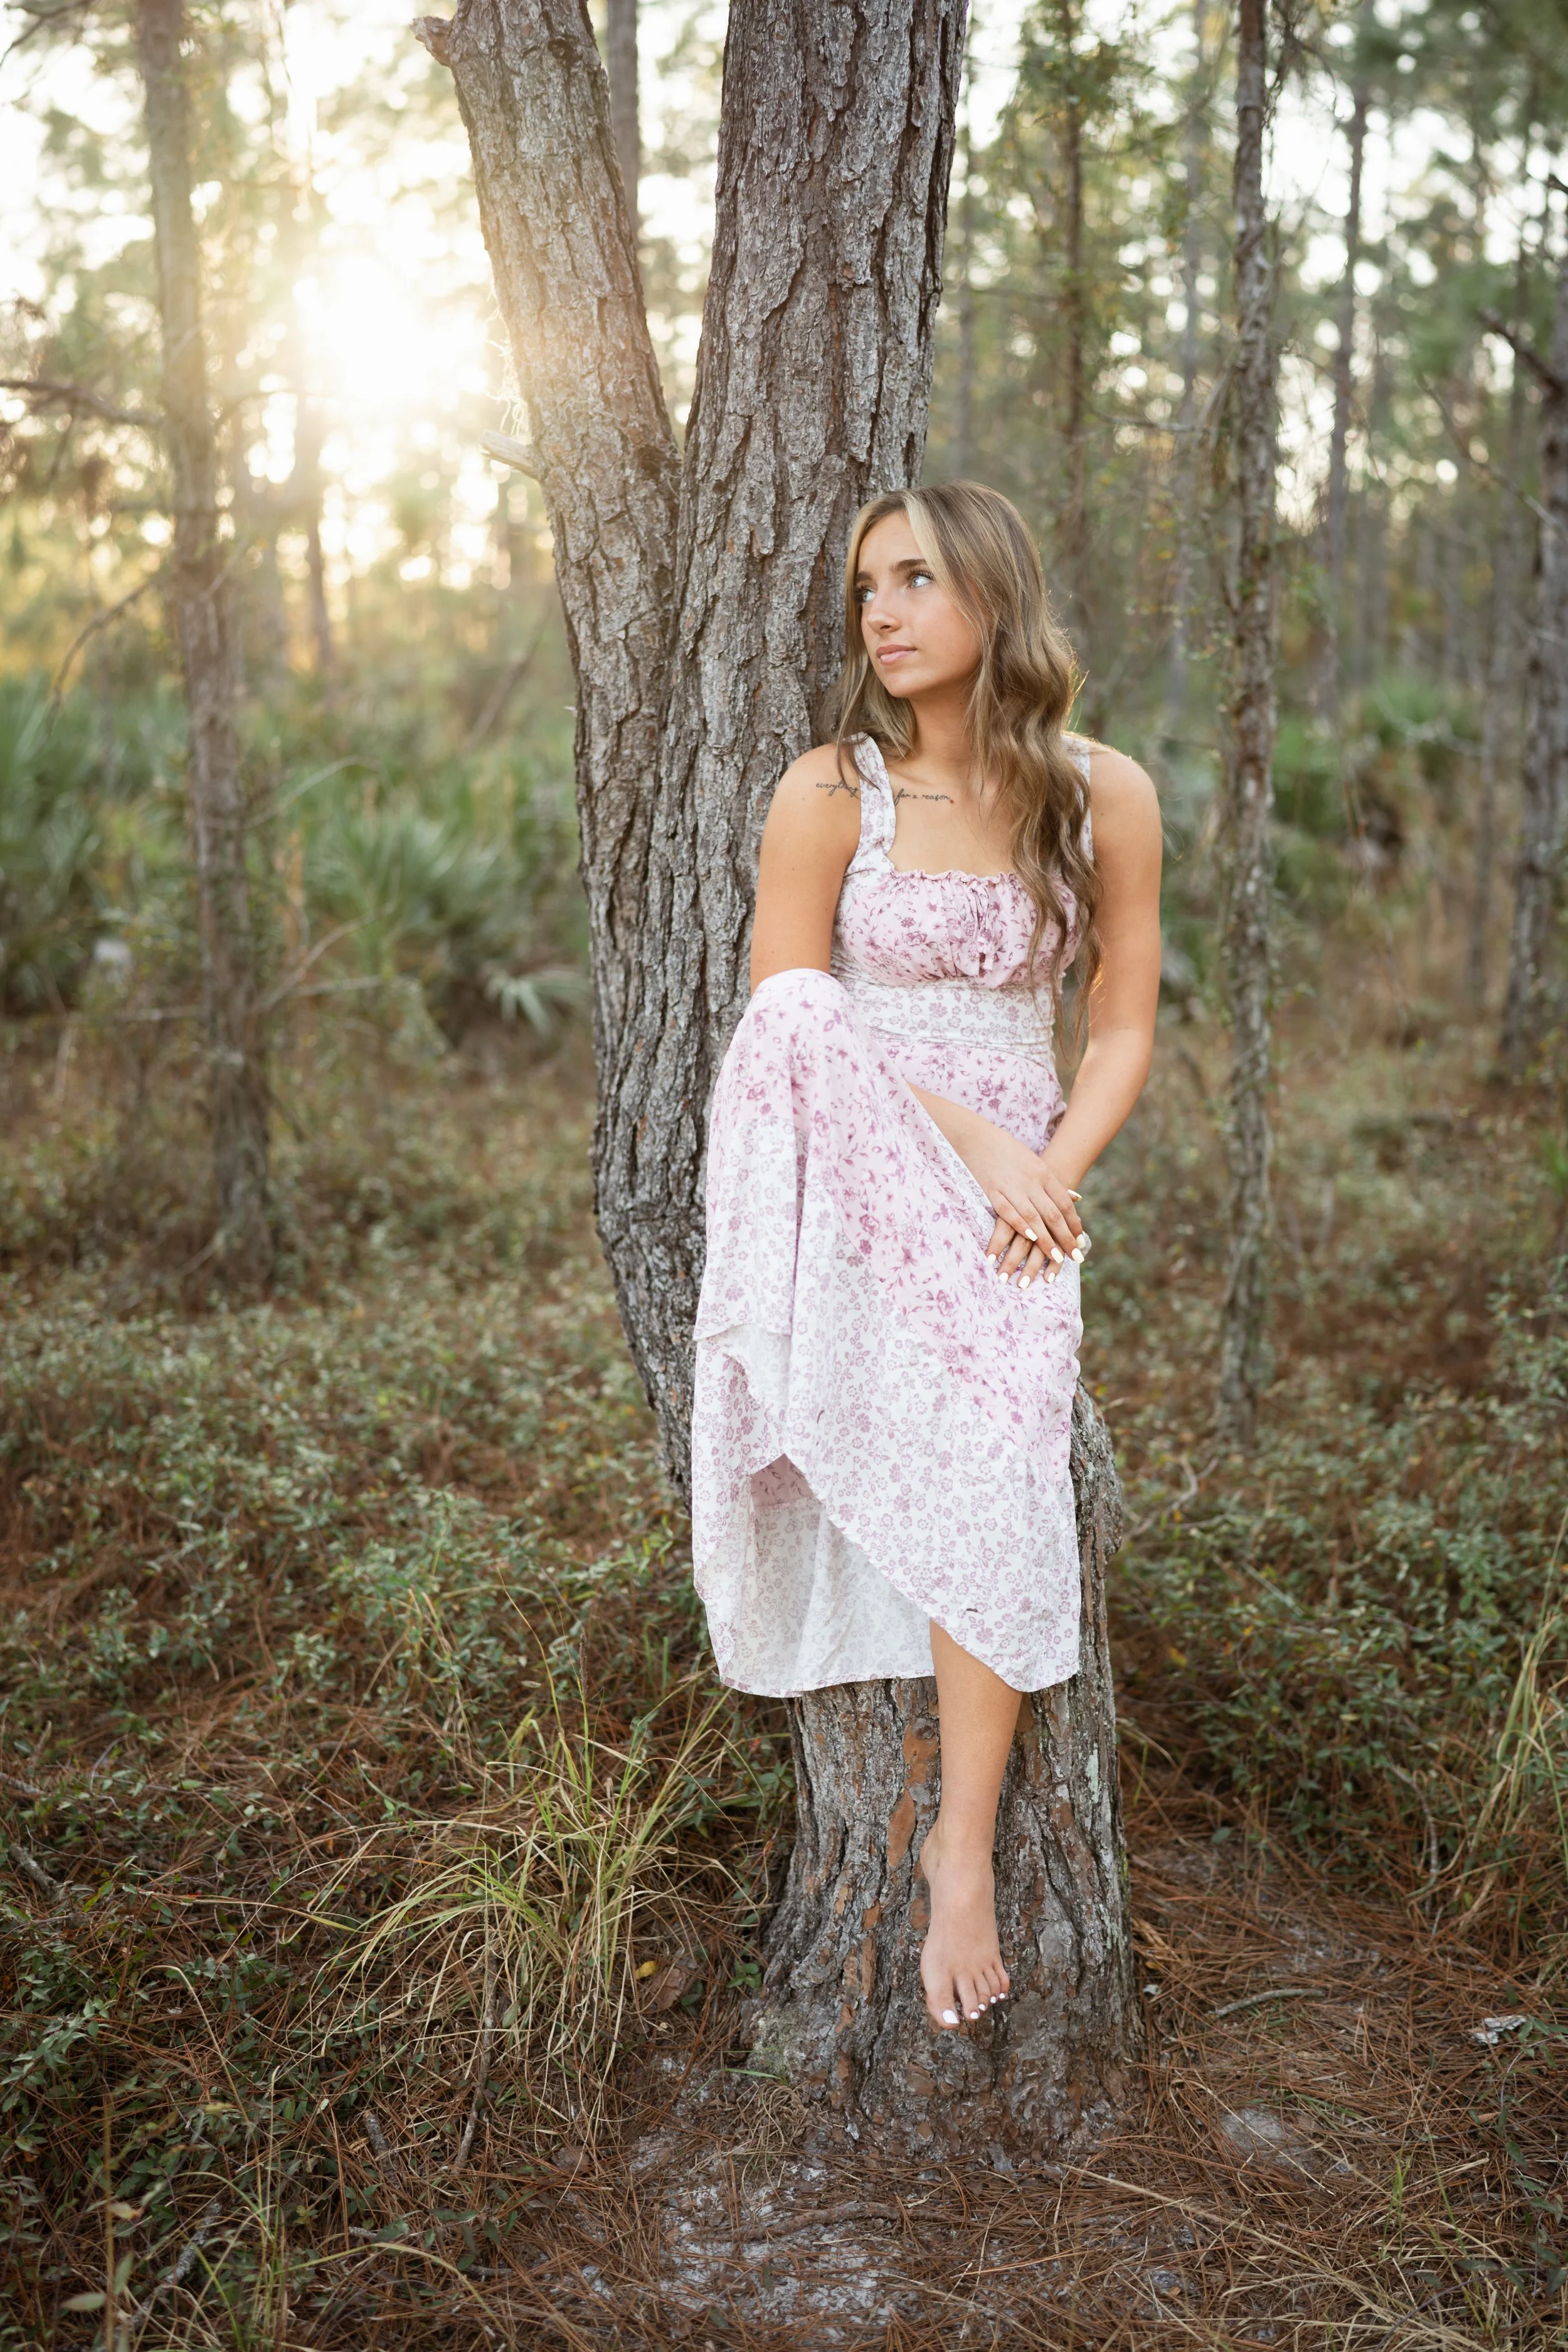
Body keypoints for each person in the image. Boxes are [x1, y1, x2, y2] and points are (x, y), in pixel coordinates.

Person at [691, 482, 1162, 2035]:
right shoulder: (832, 790)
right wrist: (969, 1146)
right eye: (863, 588)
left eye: (914, 580)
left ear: (992, 594)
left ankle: (959, 1855)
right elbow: (782, 1013)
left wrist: (1047, 1177)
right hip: (863, 1146)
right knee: (811, 1010)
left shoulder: (1102, 795)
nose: (880, 613)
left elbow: (1118, 1023)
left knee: (1001, 1445)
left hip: (1020, 1176)